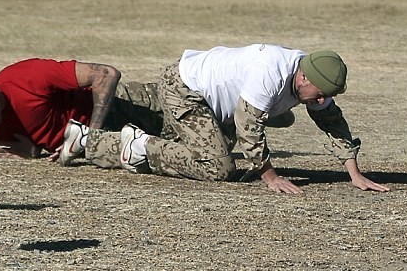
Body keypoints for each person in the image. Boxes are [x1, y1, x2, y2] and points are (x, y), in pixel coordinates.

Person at [65, 44, 390, 193]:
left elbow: (332, 122)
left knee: (186, 136)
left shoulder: (312, 79)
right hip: (184, 87)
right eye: (319, 94)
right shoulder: (271, 74)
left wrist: (354, 173)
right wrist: (270, 176)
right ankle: (137, 146)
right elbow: (249, 128)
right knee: (217, 166)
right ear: (303, 78)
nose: (321, 100)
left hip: (212, 103)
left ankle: (91, 137)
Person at [0, 58, 162, 164]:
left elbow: (106, 74)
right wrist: (30, 151)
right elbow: (36, 140)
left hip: (130, 105)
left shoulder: (27, 77)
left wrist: (91, 135)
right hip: (112, 139)